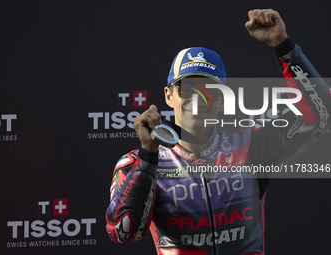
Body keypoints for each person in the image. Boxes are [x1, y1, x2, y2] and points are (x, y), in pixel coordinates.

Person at [106, 9, 331, 255]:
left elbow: (322, 115)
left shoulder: (251, 144)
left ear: (223, 100)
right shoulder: (137, 162)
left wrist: (284, 46)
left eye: (210, 90)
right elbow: (122, 231)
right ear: (169, 96)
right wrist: (148, 158)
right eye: (187, 89)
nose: (198, 99)